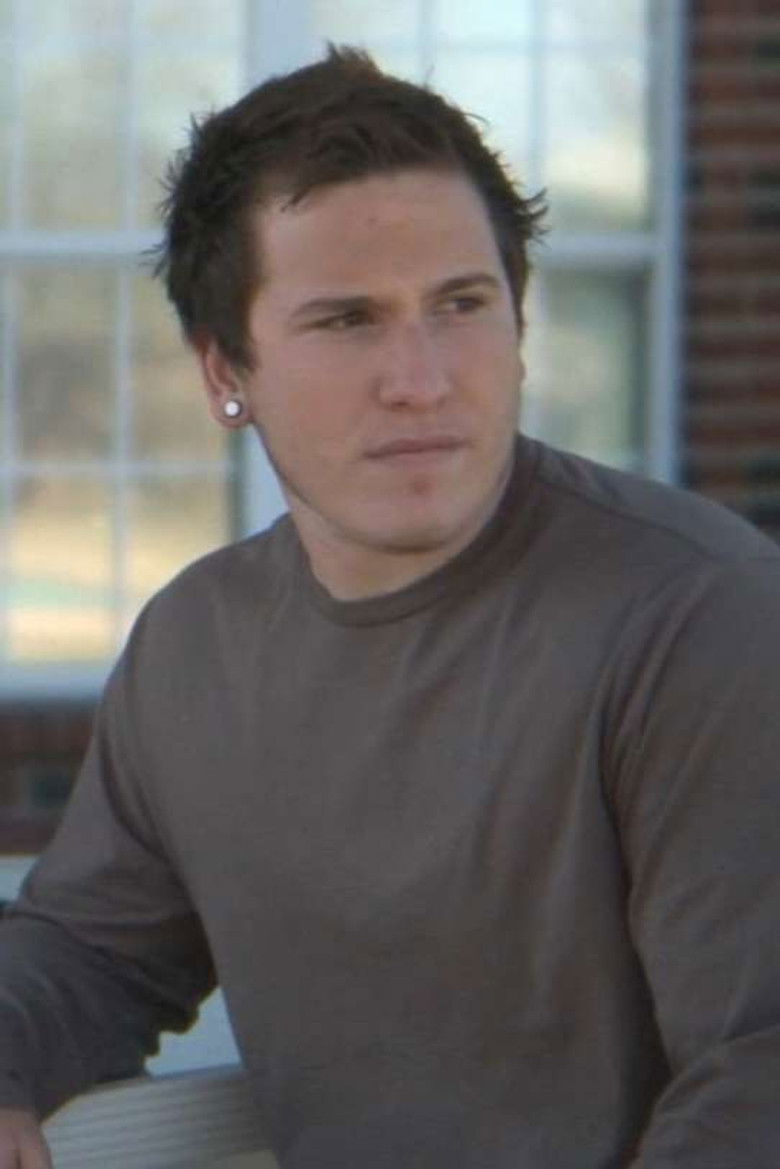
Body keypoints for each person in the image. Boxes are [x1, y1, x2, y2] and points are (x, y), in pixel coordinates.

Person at [1, 45, 779, 1169]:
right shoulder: (198, 645)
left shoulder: (696, 616)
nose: (420, 378)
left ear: (518, 324)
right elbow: (90, 951)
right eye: (347, 320)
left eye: (460, 305)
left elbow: (760, 1071)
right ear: (225, 369)